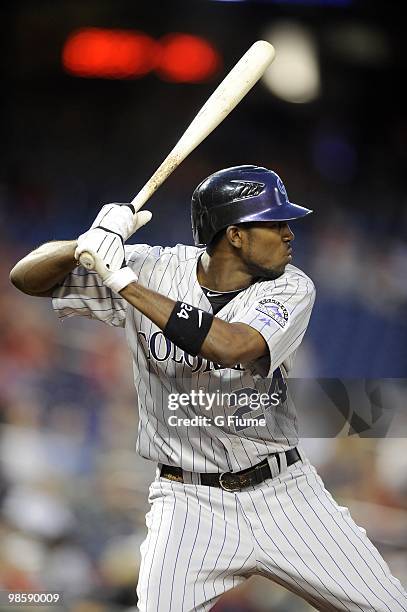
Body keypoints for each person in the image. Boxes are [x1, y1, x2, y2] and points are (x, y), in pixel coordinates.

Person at [10, 165, 407, 612]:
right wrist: (84, 244)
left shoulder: (292, 287)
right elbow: (25, 277)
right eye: (275, 223)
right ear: (235, 235)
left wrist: (123, 282)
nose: (290, 233)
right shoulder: (156, 267)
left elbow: (231, 345)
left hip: (283, 493)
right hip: (187, 501)